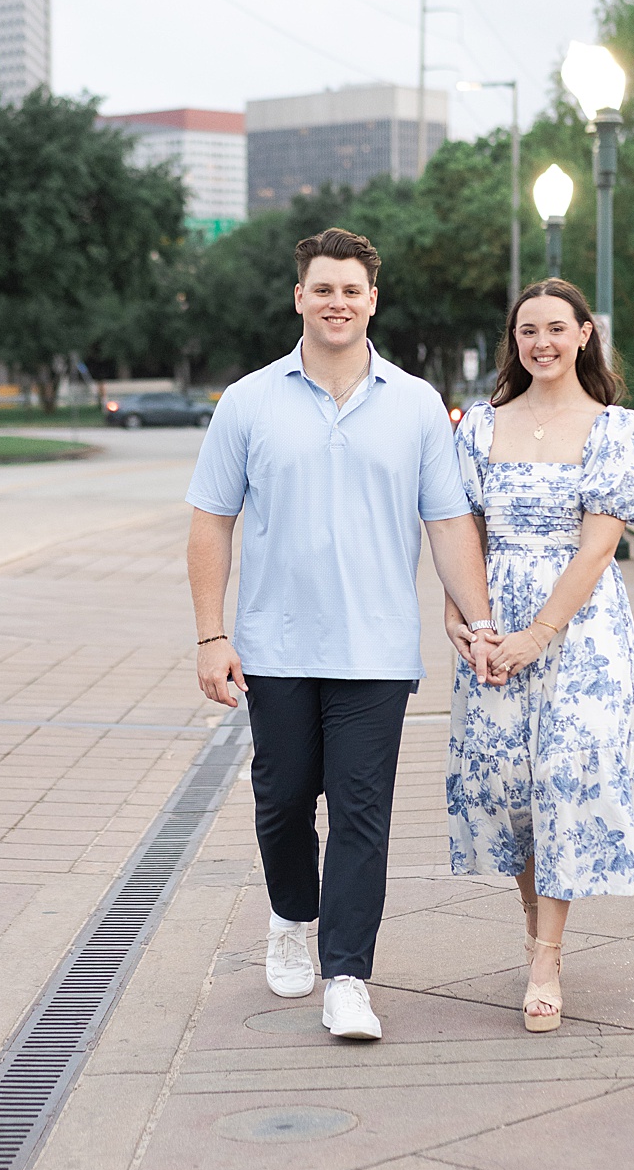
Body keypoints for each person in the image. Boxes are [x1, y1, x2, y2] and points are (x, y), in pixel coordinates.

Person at [186, 227, 498, 1041]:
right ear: (300, 297)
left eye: (351, 291)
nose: (337, 303)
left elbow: (450, 522)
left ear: (372, 301)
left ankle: (348, 976)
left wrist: (481, 618)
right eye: (323, 289)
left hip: (377, 650)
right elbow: (211, 522)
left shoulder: (418, 404)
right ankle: (293, 914)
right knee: (283, 803)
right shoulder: (249, 400)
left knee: (363, 815)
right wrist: (210, 635)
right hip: (276, 645)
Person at [445, 278, 634, 1032]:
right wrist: (461, 615)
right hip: (493, 617)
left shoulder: (613, 428)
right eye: (527, 330)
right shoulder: (477, 426)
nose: (541, 343)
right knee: (513, 787)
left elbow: (600, 546)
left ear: (584, 334)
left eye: (555, 329)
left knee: (564, 778)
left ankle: (547, 959)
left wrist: (539, 634)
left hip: (579, 629)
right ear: (515, 340)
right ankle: (537, 926)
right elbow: (458, 529)